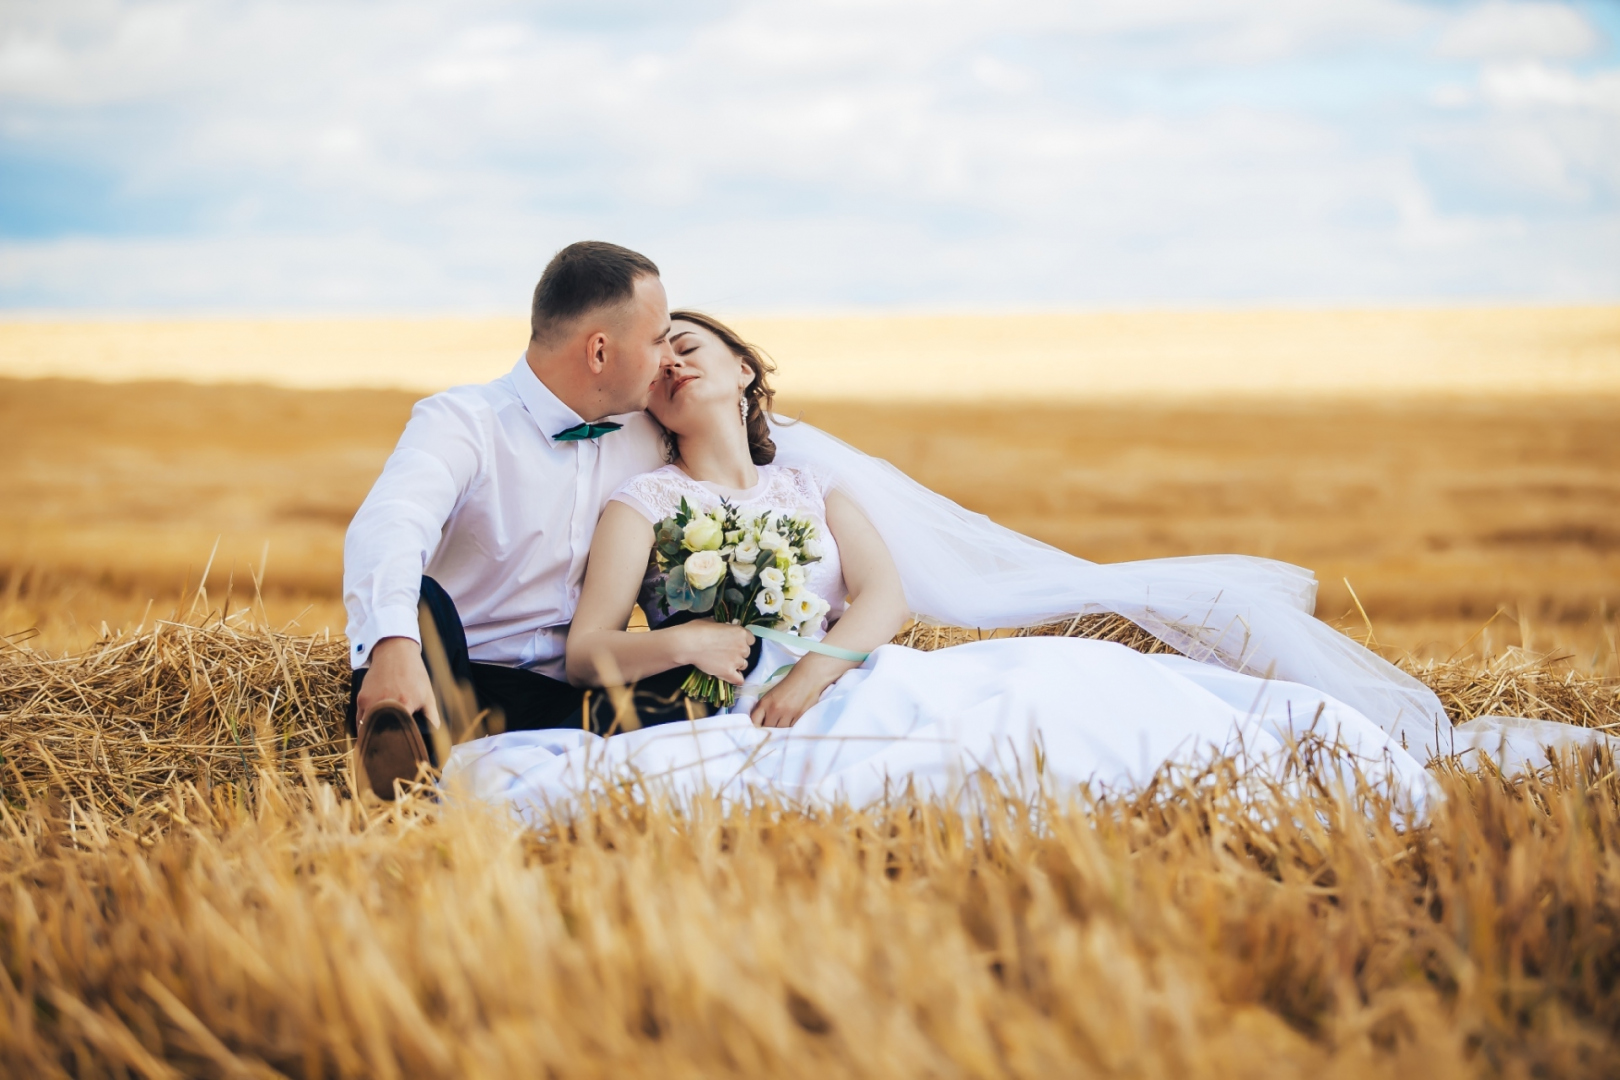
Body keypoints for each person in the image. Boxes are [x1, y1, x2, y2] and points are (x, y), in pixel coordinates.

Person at [443, 313, 1448, 814]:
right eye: (655, 358)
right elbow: (585, 653)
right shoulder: (644, 505)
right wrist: (685, 641)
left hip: (854, 677)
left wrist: (819, 668)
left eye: (688, 344)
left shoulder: (814, 493)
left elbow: (882, 599)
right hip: (743, 706)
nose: (669, 362)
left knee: (1071, 687)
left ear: (744, 368)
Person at [345, 241, 733, 798]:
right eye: (655, 341)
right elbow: (390, 523)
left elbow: (744, 463)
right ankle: (412, 771)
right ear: (599, 352)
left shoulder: (649, 433)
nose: (667, 359)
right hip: (458, 682)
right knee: (421, 603)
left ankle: (518, 780)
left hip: (582, 696)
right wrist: (391, 647)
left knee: (692, 676)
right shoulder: (462, 422)